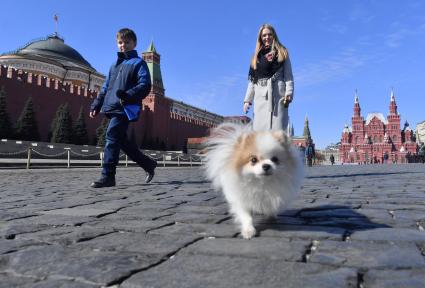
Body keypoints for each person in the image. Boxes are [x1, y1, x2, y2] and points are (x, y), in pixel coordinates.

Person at [89, 28, 157, 188]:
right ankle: (148, 164)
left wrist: (128, 95)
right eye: (120, 42)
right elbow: (106, 87)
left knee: (111, 135)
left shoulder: (138, 63)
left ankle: (108, 176)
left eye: (127, 42)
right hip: (112, 107)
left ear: (134, 44)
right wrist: (96, 104)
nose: (123, 45)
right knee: (121, 141)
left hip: (126, 108)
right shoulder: (114, 65)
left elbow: (145, 84)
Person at [243, 24, 294, 131]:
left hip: (277, 94)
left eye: (269, 34)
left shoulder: (282, 51)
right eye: (264, 35)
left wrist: (289, 93)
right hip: (260, 95)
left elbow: (288, 76)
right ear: (260, 38)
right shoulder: (256, 56)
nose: (267, 37)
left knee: (277, 130)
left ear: (274, 35)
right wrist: (247, 100)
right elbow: (252, 81)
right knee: (260, 131)